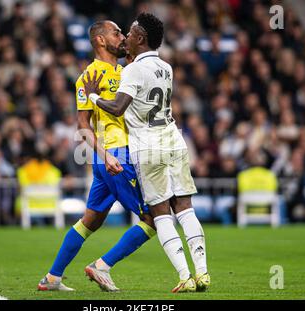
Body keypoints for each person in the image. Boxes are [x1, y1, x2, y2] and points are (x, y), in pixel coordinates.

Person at [83, 13, 210, 293]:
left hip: (149, 146)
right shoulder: (167, 67)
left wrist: (93, 97)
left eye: (129, 32)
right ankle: (202, 273)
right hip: (174, 140)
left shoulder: (131, 71)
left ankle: (185, 276)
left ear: (140, 38)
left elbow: (117, 107)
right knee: (185, 208)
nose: (126, 37)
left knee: (161, 213)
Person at [37, 20, 156, 292]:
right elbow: (82, 126)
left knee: (89, 221)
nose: (123, 36)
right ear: (100, 40)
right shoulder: (89, 77)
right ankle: (102, 266)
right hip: (116, 156)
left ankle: (53, 278)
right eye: (117, 33)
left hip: (114, 158)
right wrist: (105, 155)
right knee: (153, 220)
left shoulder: (127, 71)